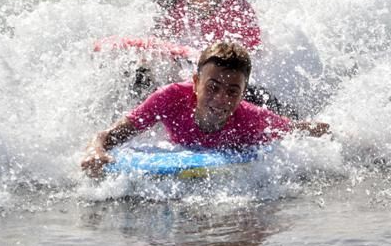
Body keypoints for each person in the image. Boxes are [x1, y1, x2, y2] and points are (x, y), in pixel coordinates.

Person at [81, 42, 330, 178]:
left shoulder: (251, 118)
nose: (221, 99)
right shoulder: (169, 98)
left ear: (243, 94)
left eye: (233, 91)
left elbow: (298, 131)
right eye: (212, 87)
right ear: (196, 82)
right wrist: (95, 150)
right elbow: (109, 135)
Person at [135, 0, 296, 117]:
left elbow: (248, 60)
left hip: (223, 83)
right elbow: (153, 49)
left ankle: (291, 123)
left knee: (257, 95)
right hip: (184, 78)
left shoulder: (236, 8)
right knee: (140, 74)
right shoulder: (169, 5)